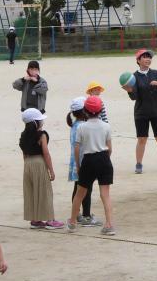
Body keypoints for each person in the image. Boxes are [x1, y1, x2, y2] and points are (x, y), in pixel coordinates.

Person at [67, 95, 116, 235]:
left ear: (86, 111)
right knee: (105, 194)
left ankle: (73, 222)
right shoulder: (106, 126)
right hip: (104, 159)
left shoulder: (82, 127)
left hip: (88, 160)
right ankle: (109, 224)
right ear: (100, 111)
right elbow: (110, 148)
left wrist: (78, 165)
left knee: (80, 193)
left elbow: (77, 148)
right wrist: (106, 159)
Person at [123, 48, 157, 174]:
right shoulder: (133, 77)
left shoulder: (156, 73)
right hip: (141, 113)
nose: (148, 59)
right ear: (138, 60)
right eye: (145, 57)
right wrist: (129, 91)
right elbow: (134, 97)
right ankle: (139, 164)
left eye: (149, 57)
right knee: (142, 139)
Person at [19, 108, 63, 229]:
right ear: (35, 122)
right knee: (45, 191)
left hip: (28, 163)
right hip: (39, 162)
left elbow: (24, 153)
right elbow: (46, 153)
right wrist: (51, 170)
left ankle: (35, 220)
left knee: (31, 191)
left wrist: (27, 165)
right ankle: (50, 220)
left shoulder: (23, 135)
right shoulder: (42, 135)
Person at [67, 97, 101, 227]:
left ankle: (76, 214)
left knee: (77, 188)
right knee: (86, 189)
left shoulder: (75, 124)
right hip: (83, 161)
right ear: (84, 111)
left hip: (76, 161)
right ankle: (86, 216)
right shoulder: (83, 126)